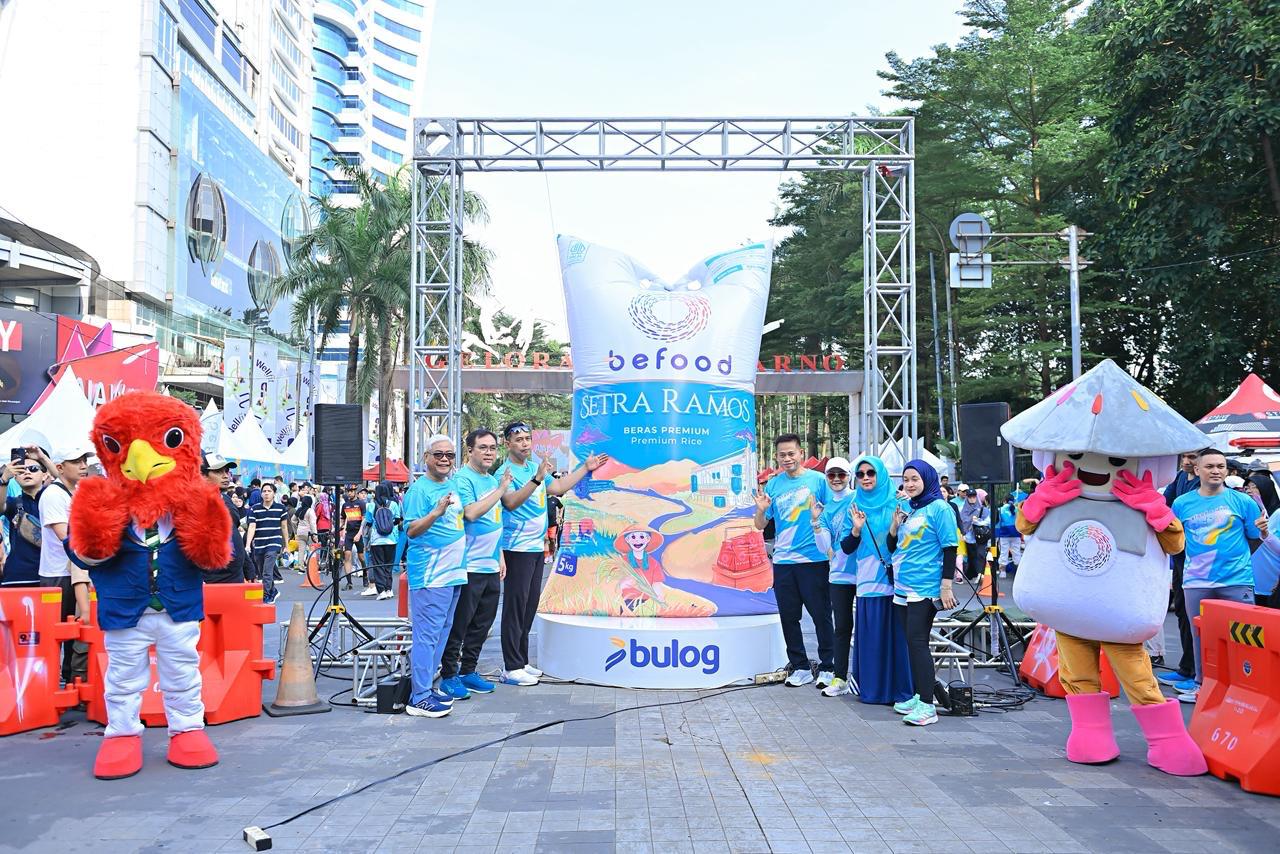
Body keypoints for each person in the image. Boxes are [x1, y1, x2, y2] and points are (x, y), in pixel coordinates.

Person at [497, 421, 607, 686]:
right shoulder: (505, 472)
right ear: (508, 444)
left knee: (528, 605)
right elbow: (510, 503)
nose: (524, 443)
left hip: (536, 547)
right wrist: (537, 478)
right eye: (518, 439)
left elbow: (557, 488)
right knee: (515, 607)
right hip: (516, 547)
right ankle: (511, 667)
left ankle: (521, 660)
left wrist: (585, 468)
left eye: (527, 439)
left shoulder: (533, 468)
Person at [1171, 448, 1267, 704]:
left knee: (1243, 638)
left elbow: (1255, 537)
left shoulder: (1242, 501)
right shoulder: (1181, 504)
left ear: (1226, 470)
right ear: (1197, 470)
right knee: (1201, 636)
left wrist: (1238, 561)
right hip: (1196, 581)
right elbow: (1175, 541)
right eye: (1210, 466)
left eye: (1220, 466)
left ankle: (1244, 689)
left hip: (1237, 581)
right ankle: (1202, 685)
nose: (1216, 471)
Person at [753, 433, 834, 689]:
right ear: (776, 457)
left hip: (814, 559)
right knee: (789, 618)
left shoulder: (818, 481)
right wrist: (761, 510)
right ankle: (800, 667)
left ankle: (828, 667)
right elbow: (760, 525)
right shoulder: (773, 485)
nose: (787, 458)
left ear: (801, 454)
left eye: (791, 453)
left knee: (821, 616)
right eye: (782, 455)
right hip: (783, 561)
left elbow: (832, 514)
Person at [439, 429, 512, 699]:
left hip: (490, 565)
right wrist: (501, 490)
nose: (489, 452)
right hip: (468, 565)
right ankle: (449, 675)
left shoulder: (491, 479)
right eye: (483, 447)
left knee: (483, 623)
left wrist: (500, 555)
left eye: (492, 447)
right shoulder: (462, 479)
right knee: (460, 623)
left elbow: (495, 520)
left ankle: (469, 670)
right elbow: (470, 513)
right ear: (470, 450)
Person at [887, 459, 958, 726]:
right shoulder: (907, 507)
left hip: (925, 587)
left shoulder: (940, 508)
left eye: (914, 479)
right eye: (905, 479)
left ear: (927, 480)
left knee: (918, 642)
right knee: (911, 642)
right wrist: (895, 525)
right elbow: (892, 546)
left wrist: (946, 586)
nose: (909, 484)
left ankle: (928, 706)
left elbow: (950, 548)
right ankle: (920, 695)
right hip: (902, 585)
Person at [402, 435, 467, 718]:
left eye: (449, 455)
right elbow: (411, 530)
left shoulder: (452, 484)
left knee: (441, 634)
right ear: (426, 457)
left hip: (453, 573)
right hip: (431, 575)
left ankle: (427, 687)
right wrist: (435, 513)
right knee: (426, 637)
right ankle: (419, 697)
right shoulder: (419, 491)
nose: (444, 459)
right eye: (438, 454)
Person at [840, 454, 913, 705]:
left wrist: (896, 525)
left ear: (880, 475)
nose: (865, 478)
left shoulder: (899, 502)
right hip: (868, 581)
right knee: (872, 640)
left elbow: (908, 541)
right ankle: (872, 690)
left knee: (897, 640)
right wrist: (856, 529)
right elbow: (846, 548)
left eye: (870, 473)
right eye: (860, 474)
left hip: (897, 582)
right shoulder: (853, 505)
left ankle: (900, 691)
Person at [40, 443, 94, 683]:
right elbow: (67, 538)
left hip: (78, 570)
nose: (83, 466)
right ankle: (50, 686)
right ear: (61, 467)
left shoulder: (77, 490)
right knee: (57, 633)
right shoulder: (53, 494)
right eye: (76, 462)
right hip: (58, 574)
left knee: (77, 631)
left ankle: (72, 682)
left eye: (85, 460)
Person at [1156, 450, 1201, 688]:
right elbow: (1164, 505)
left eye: (1192, 457)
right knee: (1183, 612)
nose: (1186, 461)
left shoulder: (1205, 485)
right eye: (1184, 456)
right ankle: (1187, 668)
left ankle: (1199, 674)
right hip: (1181, 556)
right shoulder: (1180, 477)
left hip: (1201, 562)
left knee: (1198, 618)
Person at [811, 457, 855, 696]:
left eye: (841, 474)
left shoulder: (858, 498)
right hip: (839, 575)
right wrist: (815, 522)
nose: (836, 479)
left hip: (867, 574)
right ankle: (840, 677)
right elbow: (823, 547)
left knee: (869, 628)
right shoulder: (825, 510)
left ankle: (866, 677)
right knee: (842, 628)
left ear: (849, 476)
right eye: (831, 475)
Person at [0, 446, 54, 587]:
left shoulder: (56, 499)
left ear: (45, 475)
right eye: (21, 470)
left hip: (52, 574)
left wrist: (43, 458)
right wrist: (4, 479)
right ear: (15, 477)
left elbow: (70, 487)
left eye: (33, 469)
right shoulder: (13, 503)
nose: (27, 472)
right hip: (18, 576)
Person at [200, 453, 246, 584]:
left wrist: (248, 568)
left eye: (226, 471)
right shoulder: (195, 504)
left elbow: (234, 533)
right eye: (218, 472)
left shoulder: (226, 499)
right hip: (212, 580)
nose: (225, 476)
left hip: (236, 576)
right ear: (203, 475)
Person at [244, 482, 288, 604]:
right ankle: (273, 591)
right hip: (259, 544)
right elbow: (252, 527)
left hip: (274, 543)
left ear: (274, 493)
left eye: (269, 491)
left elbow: (284, 528)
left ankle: (266, 595)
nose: (266, 493)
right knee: (262, 571)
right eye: (264, 491)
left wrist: (287, 546)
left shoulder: (281, 508)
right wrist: (247, 545)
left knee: (267, 571)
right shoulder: (254, 509)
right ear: (261, 494)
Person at [362, 481, 401, 600]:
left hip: (376, 540)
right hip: (391, 539)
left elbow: (368, 522)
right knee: (389, 565)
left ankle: (381, 591)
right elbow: (397, 520)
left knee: (378, 565)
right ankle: (389, 589)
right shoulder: (393, 504)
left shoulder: (371, 505)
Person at [959, 487, 991, 581]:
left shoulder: (983, 509)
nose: (972, 499)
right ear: (967, 498)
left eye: (974, 496)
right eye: (970, 497)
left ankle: (980, 574)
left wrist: (977, 521)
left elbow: (988, 521)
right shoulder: (963, 509)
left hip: (981, 536)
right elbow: (961, 522)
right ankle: (973, 574)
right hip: (969, 537)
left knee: (980, 555)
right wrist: (963, 532)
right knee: (972, 557)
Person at [340, 485, 365, 592]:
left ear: (355, 492)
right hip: (349, 534)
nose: (349, 493)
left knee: (361, 557)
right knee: (347, 555)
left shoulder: (361, 504)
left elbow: (364, 520)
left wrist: (359, 534)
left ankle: (365, 575)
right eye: (348, 491)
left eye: (351, 491)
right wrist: (339, 529)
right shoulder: (345, 505)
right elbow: (343, 519)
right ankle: (349, 582)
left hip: (358, 532)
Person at [994, 493, 1022, 577]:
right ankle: (1019, 573)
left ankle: (1003, 572)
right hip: (1016, 533)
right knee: (1017, 552)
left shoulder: (1000, 509)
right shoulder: (1017, 509)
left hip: (1004, 534)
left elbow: (997, 522)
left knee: (1003, 552)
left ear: (1004, 501)